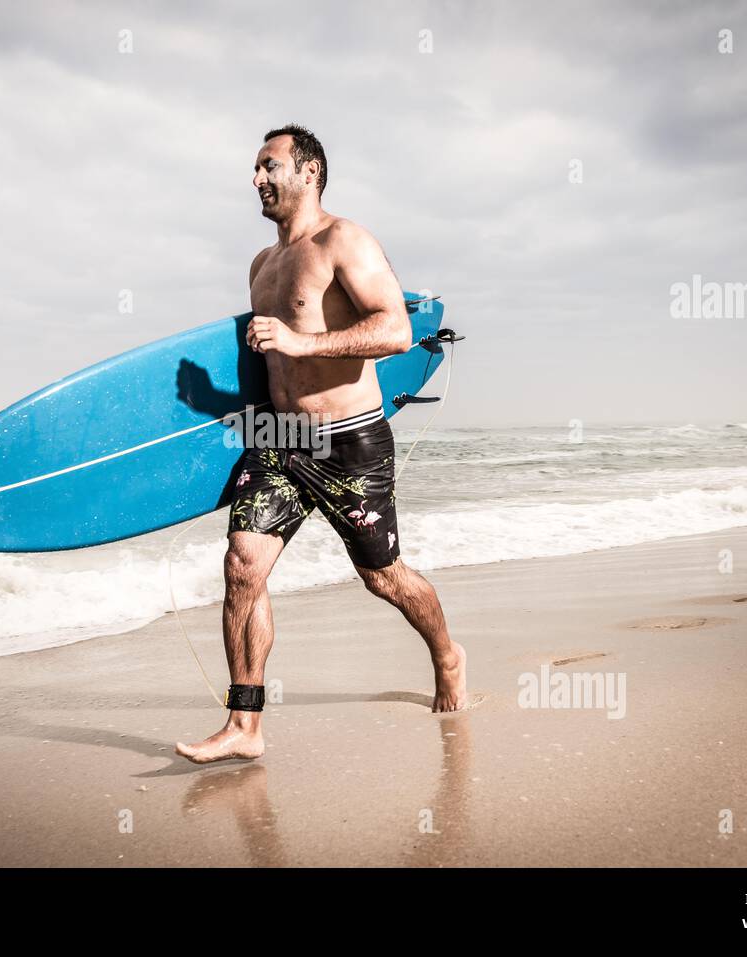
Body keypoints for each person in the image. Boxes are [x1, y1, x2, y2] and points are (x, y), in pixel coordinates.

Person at [175, 125, 465, 764]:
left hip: (350, 442)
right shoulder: (261, 265)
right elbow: (270, 364)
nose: (256, 179)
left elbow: (393, 330)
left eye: (268, 165)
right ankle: (244, 725)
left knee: (383, 579)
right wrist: (213, 408)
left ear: (308, 173)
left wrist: (302, 343)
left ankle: (447, 654)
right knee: (242, 566)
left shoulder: (345, 241)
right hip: (279, 440)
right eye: (254, 168)